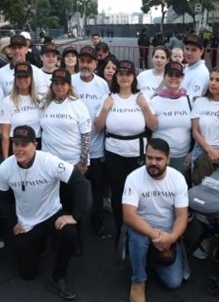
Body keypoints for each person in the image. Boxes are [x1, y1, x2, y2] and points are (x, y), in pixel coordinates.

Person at [0, 125, 90, 300]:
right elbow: (2, 196)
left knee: (69, 233)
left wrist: (75, 216)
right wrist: (12, 223)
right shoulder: (5, 168)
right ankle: (40, 244)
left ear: (34, 145)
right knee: (27, 273)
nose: (19, 149)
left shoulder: (49, 161)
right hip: (26, 222)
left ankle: (59, 275)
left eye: (24, 144)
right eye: (16, 144)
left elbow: (81, 182)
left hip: (51, 215)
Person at [94, 60, 158, 239]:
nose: (124, 77)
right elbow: (98, 126)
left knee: (138, 192)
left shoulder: (141, 97)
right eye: (121, 74)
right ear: (116, 77)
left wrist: (144, 106)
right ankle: (120, 229)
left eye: (128, 74)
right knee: (118, 192)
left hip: (137, 153)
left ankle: (138, 229)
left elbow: (153, 125)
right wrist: (105, 109)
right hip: (114, 153)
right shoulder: (108, 98)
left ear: (133, 77)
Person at [122, 138, 189, 302]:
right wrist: (155, 235)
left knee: (174, 282)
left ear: (168, 159)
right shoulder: (133, 178)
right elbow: (129, 216)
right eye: (149, 157)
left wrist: (171, 238)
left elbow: (182, 216)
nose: (153, 162)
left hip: (167, 232)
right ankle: (138, 280)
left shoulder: (178, 179)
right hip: (143, 228)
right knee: (137, 236)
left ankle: (148, 257)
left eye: (158, 159)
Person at [70, 47, 111, 237]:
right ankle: (74, 223)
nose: (85, 65)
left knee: (97, 189)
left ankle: (97, 220)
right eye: (83, 60)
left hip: (96, 148)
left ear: (96, 64)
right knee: (74, 190)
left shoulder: (102, 85)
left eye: (89, 61)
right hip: (73, 149)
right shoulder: (70, 82)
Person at [149, 61, 193, 175]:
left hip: (183, 157)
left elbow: (196, 130)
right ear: (164, 77)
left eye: (177, 75)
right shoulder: (154, 101)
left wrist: (192, 153)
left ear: (182, 78)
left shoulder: (189, 101)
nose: (174, 78)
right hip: (159, 157)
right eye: (170, 74)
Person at [0, 62, 41, 160]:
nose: (22, 80)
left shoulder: (39, 100)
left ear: (31, 78)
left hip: (36, 145)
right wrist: (6, 159)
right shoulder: (7, 101)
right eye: (19, 77)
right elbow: (5, 135)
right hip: (16, 145)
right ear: (15, 79)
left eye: (26, 76)